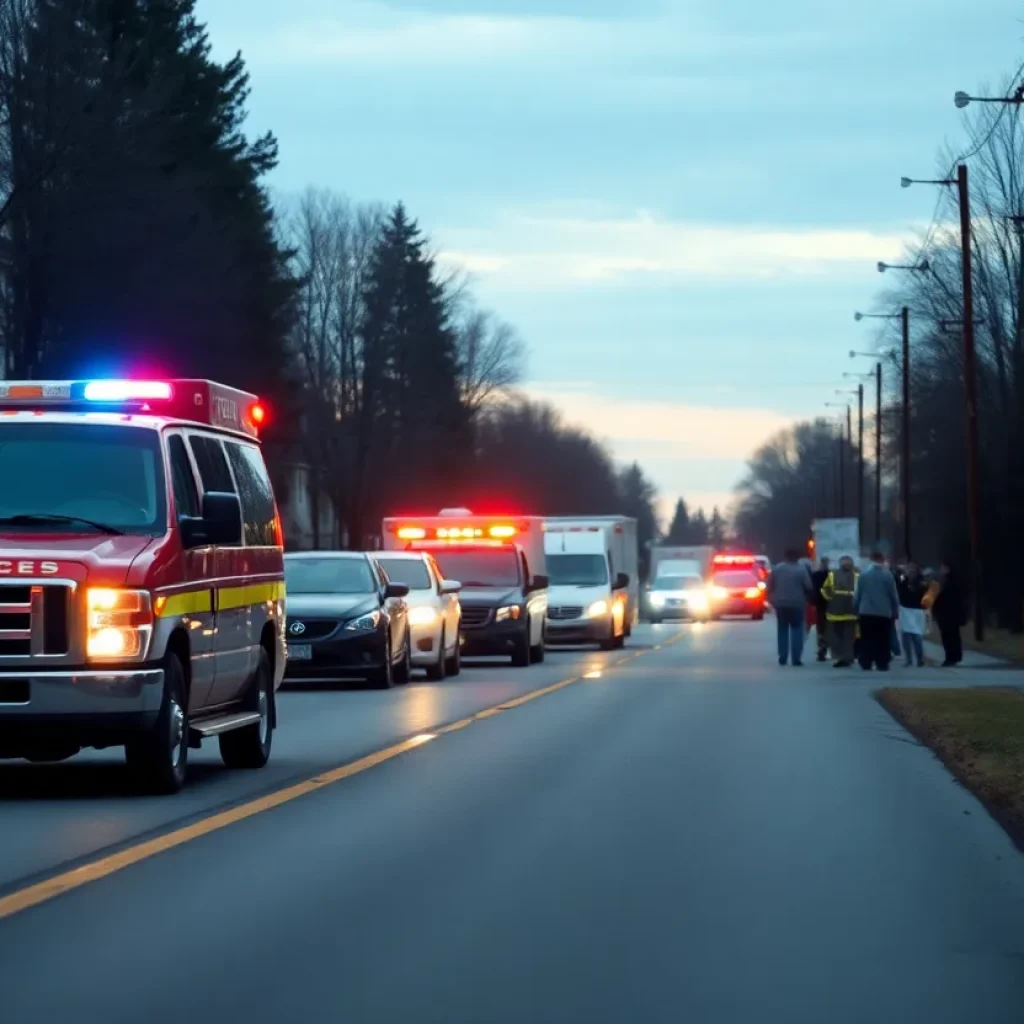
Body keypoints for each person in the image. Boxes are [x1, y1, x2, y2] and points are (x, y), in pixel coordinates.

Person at [853, 549, 901, 671]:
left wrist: (855, 609)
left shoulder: (864, 574)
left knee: (867, 638)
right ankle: (882, 662)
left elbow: (858, 594)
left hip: (866, 611)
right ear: (882, 559)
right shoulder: (887, 575)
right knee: (883, 639)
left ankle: (866, 661)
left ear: (871, 559)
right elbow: (893, 595)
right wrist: (895, 610)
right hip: (883, 612)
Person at [767, 548, 813, 666]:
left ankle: (782, 656)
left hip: (781, 604)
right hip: (797, 604)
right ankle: (796, 658)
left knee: (782, 630)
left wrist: (772, 599)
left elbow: (769, 585)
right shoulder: (801, 569)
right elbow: (809, 586)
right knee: (797, 630)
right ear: (797, 557)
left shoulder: (777, 569)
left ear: (785, 556)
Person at [821, 554, 858, 667]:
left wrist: (831, 599)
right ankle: (847, 657)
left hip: (835, 611)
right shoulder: (857, 575)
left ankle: (842, 656)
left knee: (836, 635)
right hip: (851, 611)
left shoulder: (833, 574)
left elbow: (824, 590)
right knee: (848, 636)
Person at [931, 560, 965, 667]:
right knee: (951, 636)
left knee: (950, 636)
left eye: (943, 568)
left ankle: (951, 657)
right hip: (945, 613)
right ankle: (953, 657)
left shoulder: (948, 581)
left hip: (948, 613)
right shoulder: (942, 581)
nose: (941, 570)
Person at [897, 562, 927, 667]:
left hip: (916, 610)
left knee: (916, 635)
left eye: (912, 569)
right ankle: (910, 659)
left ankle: (919, 658)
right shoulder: (904, 579)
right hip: (906, 609)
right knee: (906, 635)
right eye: (908, 569)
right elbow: (899, 587)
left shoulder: (921, 581)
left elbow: (922, 592)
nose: (910, 571)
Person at [810, 557, 831, 662]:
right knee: (823, 628)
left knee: (823, 628)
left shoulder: (816, 575)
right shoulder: (830, 575)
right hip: (823, 604)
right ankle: (822, 649)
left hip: (823, 604)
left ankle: (822, 648)